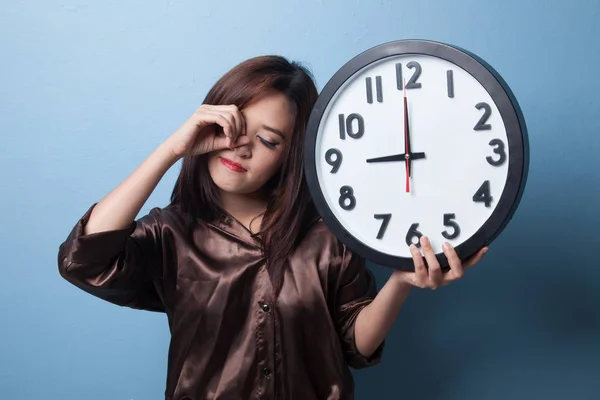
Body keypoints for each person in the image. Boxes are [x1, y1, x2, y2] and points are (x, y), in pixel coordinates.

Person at [57, 55, 488, 400]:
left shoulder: (328, 235)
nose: (240, 146)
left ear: (289, 157)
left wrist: (401, 281)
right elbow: (85, 260)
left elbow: (356, 345)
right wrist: (172, 148)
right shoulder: (171, 232)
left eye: (267, 140)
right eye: (232, 126)